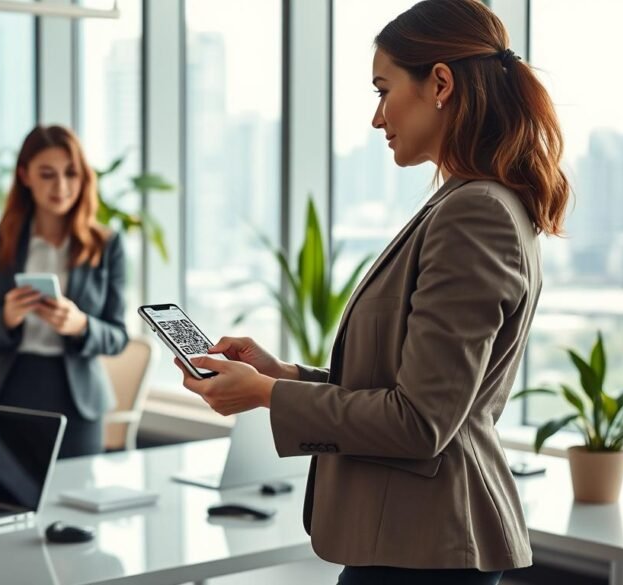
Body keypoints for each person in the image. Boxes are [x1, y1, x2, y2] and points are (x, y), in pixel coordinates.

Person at [174, 1, 570, 583]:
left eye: (384, 90)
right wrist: (282, 376)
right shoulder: (463, 205)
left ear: (439, 83)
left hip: (426, 550)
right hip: (412, 544)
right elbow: (401, 386)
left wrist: (264, 396)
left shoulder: (475, 214)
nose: (377, 117)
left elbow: (418, 422)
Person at [0, 125, 128, 459]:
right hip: (6, 391)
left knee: (76, 502)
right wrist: (5, 319)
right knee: (1, 502)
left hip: (76, 400)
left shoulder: (106, 245)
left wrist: (80, 325)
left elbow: (118, 336)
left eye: (71, 174)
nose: (61, 187)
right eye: (47, 174)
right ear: (25, 176)